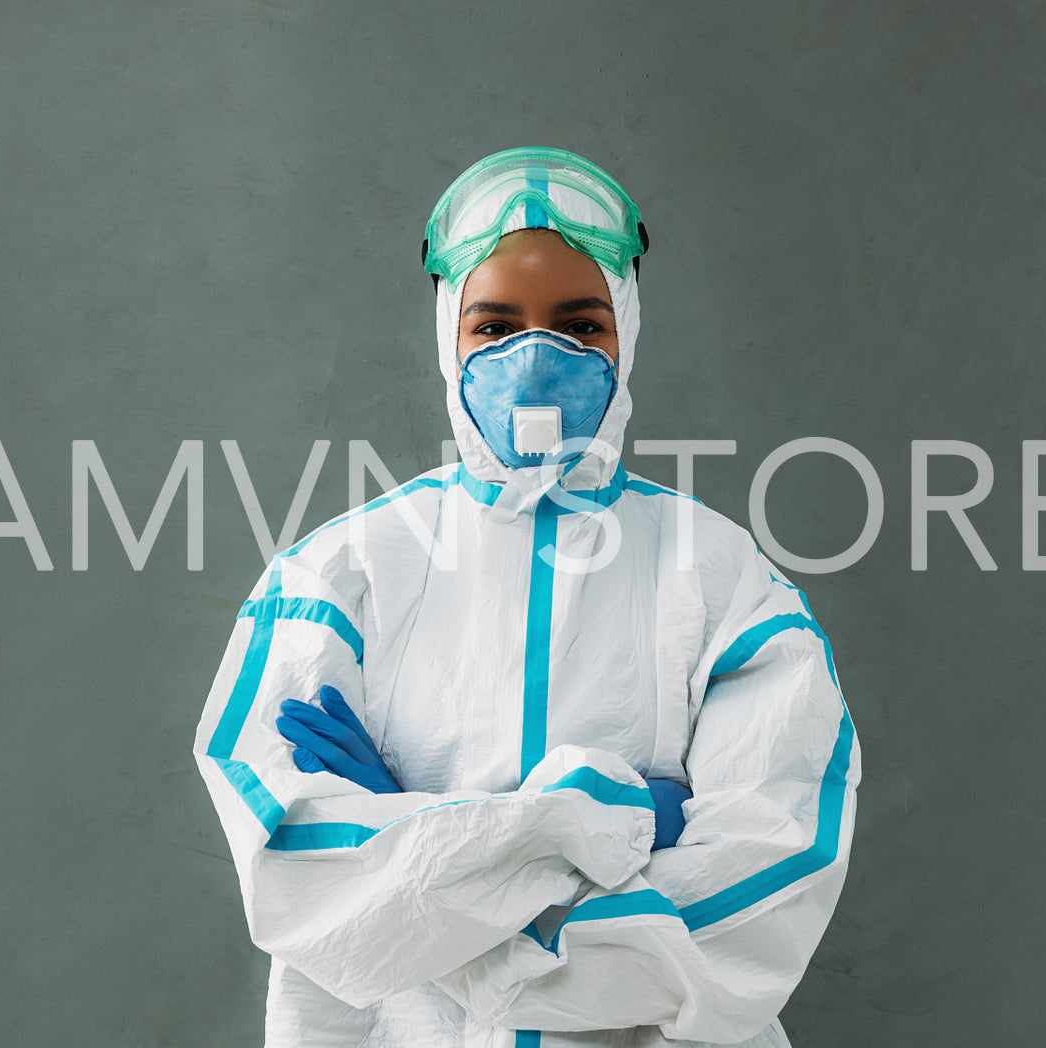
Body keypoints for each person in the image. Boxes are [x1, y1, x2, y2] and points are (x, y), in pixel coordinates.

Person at [193, 146, 861, 1048]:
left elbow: (764, 895)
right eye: (494, 327)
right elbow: (300, 887)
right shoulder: (336, 580)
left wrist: (427, 844)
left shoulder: (724, 582)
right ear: (447, 336)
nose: (535, 358)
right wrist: (608, 821)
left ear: (626, 331)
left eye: (581, 326)